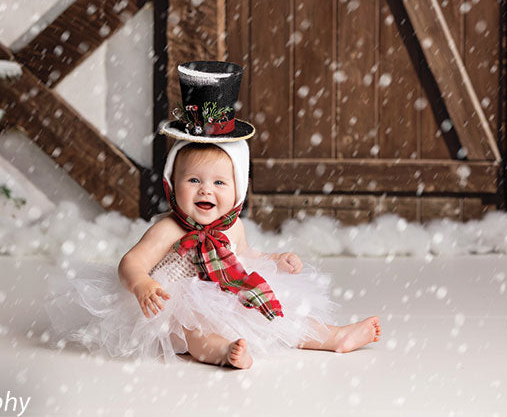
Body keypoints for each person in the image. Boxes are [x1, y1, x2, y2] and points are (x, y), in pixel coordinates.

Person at [49, 61, 381, 368]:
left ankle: (335, 336)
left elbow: (246, 256)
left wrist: (276, 260)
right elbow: (131, 262)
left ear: (237, 189)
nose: (205, 190)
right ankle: (224, 352)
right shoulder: (168, 229)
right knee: (195, 333)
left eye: (219, 182)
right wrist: (141, 284)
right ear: (171, 184)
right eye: (193, 180)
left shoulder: (233, 226)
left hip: (226, 290)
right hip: (175, 306)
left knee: (282, 311)